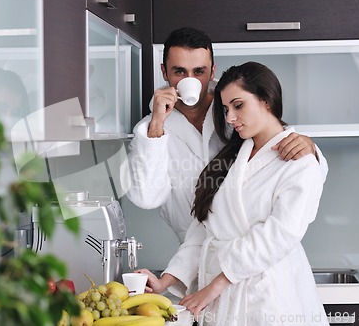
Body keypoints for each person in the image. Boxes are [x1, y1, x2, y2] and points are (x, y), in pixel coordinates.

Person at [138, 62, 329, 325]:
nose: (229, 118)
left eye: (238, 106)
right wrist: (165, 281)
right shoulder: (233, 157)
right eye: (226, 109)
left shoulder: (301, 161)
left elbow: (279, 235)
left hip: (267, 297)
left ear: (266, 100)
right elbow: (207, 230)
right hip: (223, 299)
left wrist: (215, 286)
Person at [125, 27, 327, 243]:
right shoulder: (150, 130)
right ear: (165, 72)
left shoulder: (234, 113)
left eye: (199, 72)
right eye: (180, 72)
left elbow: (282, 157)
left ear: (212, 71)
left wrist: (309, 148)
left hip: (251, 242)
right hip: (191, 251)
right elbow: (146, 198)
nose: (190, 79)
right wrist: (156, 126)